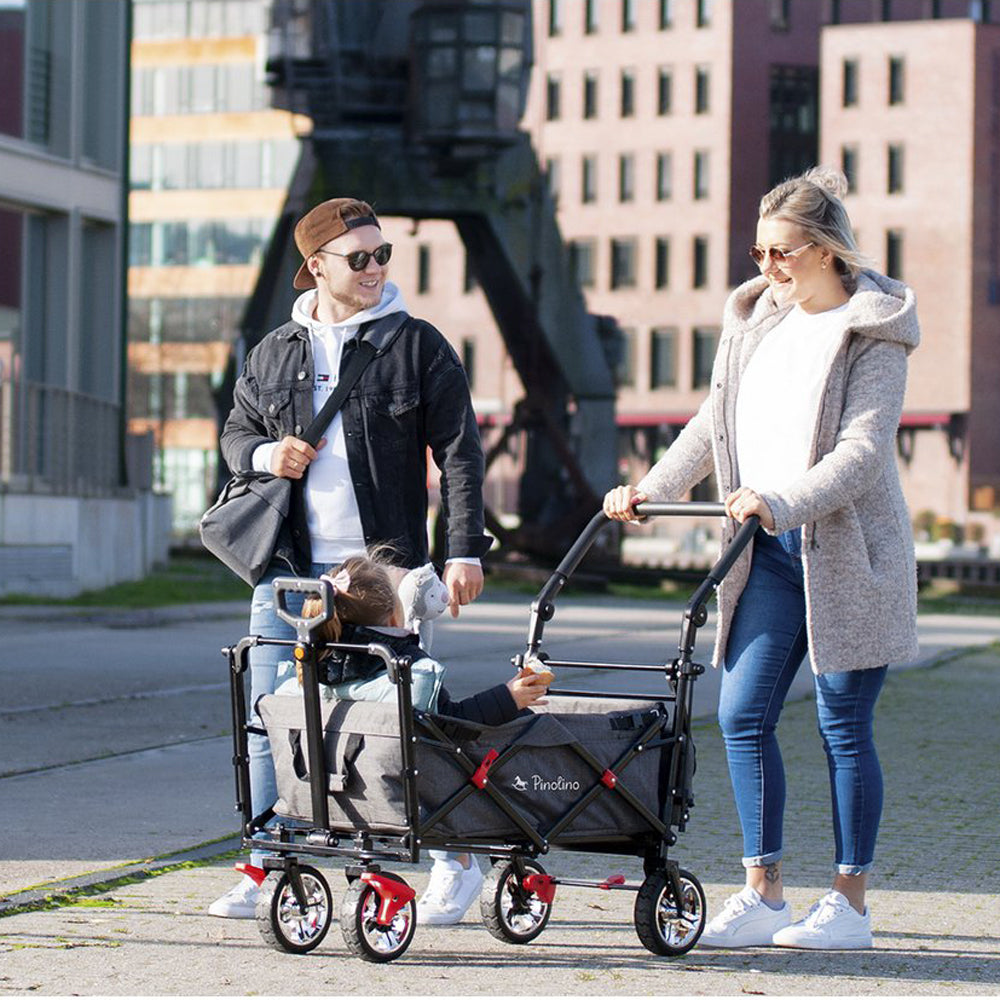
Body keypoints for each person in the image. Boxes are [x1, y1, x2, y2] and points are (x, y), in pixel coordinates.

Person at [604, 167, 919, 951]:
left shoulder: (873, 332)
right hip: (767, 553)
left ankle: (848, 905)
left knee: (842, 724)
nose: (767, 270)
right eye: (759, 252)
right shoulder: (756, 325)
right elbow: (714, 425)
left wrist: (783, 500)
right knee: (742, 716)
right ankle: (765, 893)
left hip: (848, 553)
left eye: (783, 254)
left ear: (828, 250)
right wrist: (650, 490)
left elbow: (861, 452)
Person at [209, 197, 491, 920]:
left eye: (382, 255)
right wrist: (269, 452)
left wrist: (463, 549)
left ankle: (454, 859)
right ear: (315, 268)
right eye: (358, 258)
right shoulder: (275, 352)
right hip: (291, 571)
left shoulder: (416, 345)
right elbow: (236, 433)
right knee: (267, 717)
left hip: (382, 575)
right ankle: (271, 864)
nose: (375, 269)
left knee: (403, 719)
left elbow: (460, 453)